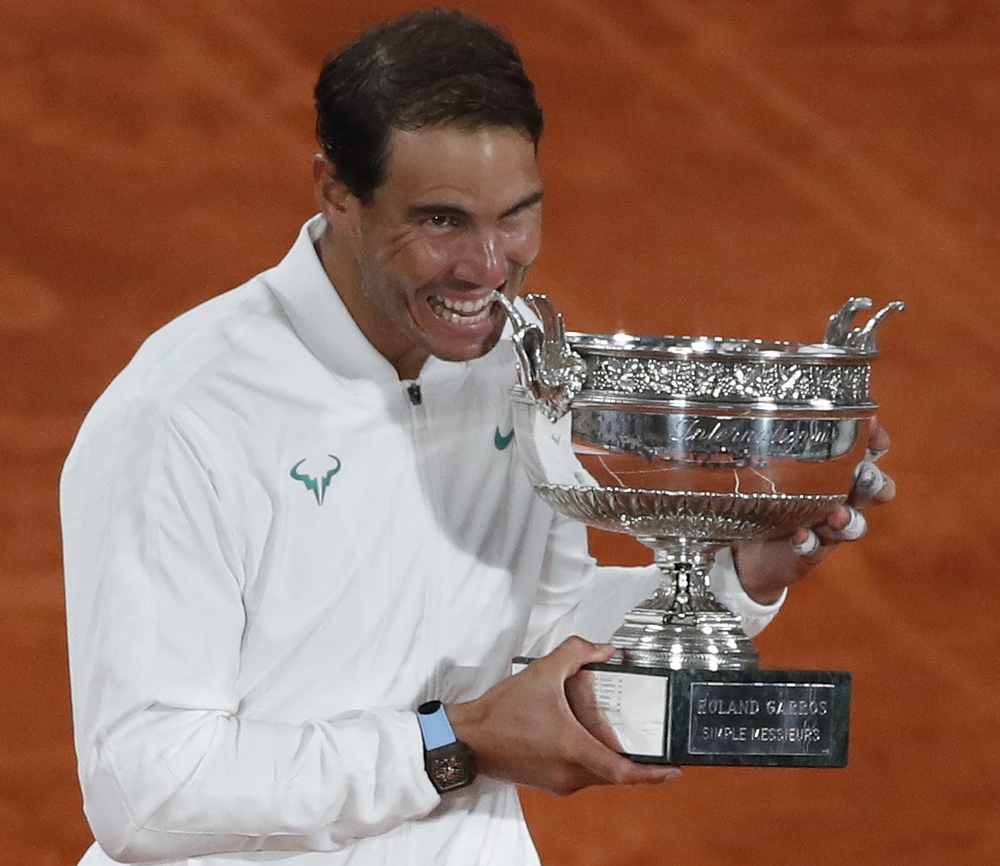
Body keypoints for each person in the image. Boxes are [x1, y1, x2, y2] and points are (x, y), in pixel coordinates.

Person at [59, 9, 896, 865]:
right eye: (442, 221)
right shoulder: (188, 416)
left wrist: (735, 576)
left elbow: (543, 631)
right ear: (337, 193)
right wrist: (449, 743)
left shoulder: (514, 373)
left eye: (517, 216)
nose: (491, 268)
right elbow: (148, 788)